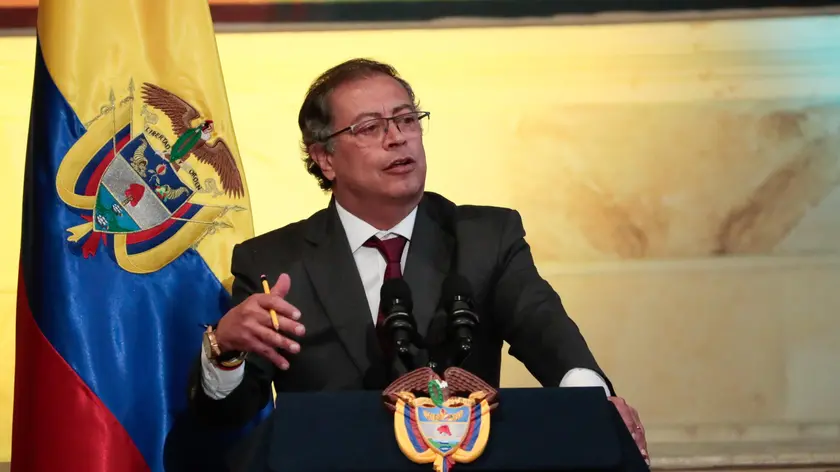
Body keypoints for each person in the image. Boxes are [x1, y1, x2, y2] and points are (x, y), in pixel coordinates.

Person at [188, 58, 649, 463]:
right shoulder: (273, 261)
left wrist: (592, 401)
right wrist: (224, 352)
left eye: (407, 120)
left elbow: (544, 328)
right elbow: (230, 417)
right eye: (370, 128)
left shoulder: (485, 236)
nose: (397, 138)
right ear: (325, 158)